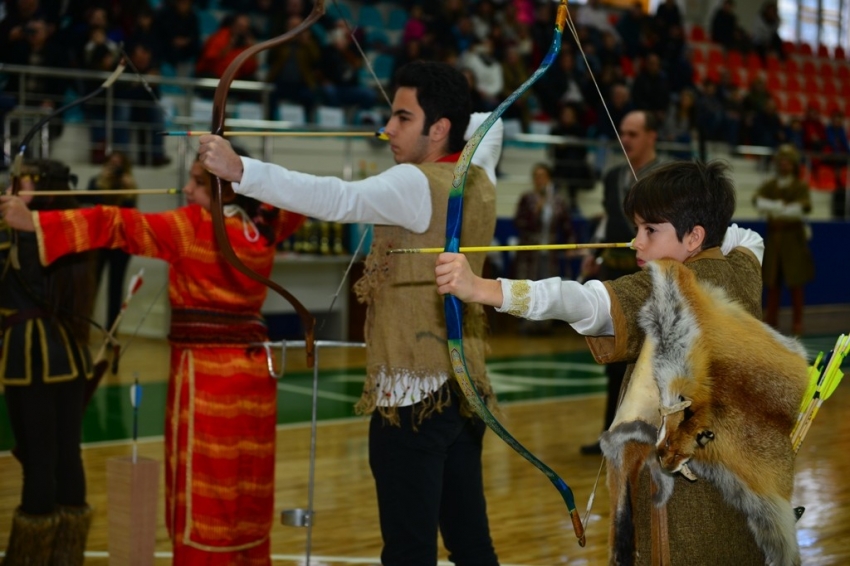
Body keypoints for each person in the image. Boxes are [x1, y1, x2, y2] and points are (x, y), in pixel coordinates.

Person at [197, 60, 503, 566]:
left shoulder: (414, 184)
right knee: (471, 544)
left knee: (408, 551)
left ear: (440, 128)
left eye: (403, 118)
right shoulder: (481, 176)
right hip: (463, 392)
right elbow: (493, 123)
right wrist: (455, 113)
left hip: (410, 403)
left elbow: (334, 197)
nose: (388, 129)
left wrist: (240, 171)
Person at [435, 160, 775, 565]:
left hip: (684, 503)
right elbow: (748, 237)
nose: (636, 243)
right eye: (636, 229)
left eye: (650, 230)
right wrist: (702, 230)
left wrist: (482, 288)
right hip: (743, 490)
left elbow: (581, 301)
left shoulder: (665, 288)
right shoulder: (742, 270)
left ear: (693, 236)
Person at [0, 152, 306, 564]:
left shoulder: (193, 227)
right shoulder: (264, 228)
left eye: (197, 182)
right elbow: (297, 199)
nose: (186, 190)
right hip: (254, 380)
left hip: (207, 382)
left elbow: (115, 224)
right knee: (245, 485)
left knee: (205, 495)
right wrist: (249, 175)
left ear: (222, 188)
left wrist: (34, 221)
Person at [0, 159, 98, 564]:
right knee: (66, 454)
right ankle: (66, 552)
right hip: (69, 351)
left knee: (38, 458)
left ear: (39, 191)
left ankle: (31, 556)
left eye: (19, 185)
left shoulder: (17, 237)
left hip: (30, 355)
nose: (12, 192)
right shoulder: (71, 231)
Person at [578, 109, 661, 455]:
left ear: (651, 136)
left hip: (646, 279)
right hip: (612, 274)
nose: (625, 139)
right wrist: (594, 256)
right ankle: (612, 434)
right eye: (622, 133)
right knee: (614, 358)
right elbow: (609, 221)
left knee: (646, 361)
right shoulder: (614, 175)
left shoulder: (664, 177)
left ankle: (647, 436)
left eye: (633, 134)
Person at [753, 144, 815, 335]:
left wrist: (775, 208)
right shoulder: (771, 185)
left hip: (792, 240)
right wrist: (782, 206)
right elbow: (757, 201)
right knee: (771, 282)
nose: (784, 165)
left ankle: (798, 321)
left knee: (796, 283)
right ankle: (771, 320)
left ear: (794, 164)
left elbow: (802, 208)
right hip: (774, 239)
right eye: (782, 161)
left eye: (788, 161)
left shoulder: (799, 186)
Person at [513, 162, 572, 334]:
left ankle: (545, 323)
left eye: (543, 176)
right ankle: (527, 323)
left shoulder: (558, 201)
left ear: (549, 178)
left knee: (548, 285)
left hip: (550, 251)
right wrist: (535, 212)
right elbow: (518, 222)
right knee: (528, 284)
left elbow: (567, 225)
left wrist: (570, 246)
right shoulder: (527, 198)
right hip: (530, 251)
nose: (539, 180)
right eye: (536, 176)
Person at [83, 151, 138, 335]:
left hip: (121, 243)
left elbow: (129, 211)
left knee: (116, 288)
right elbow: (92, 205)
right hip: (99, 241)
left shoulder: (129, 184)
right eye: (111, 163)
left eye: (118, 164)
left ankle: (111, 331)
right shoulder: (96, 182)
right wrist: (101, 182)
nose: (114, 168)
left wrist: (128, 190)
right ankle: (84, 327)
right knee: (91, 286)